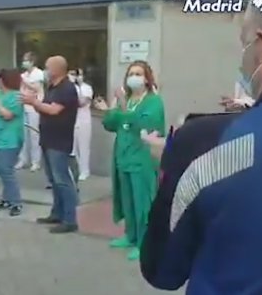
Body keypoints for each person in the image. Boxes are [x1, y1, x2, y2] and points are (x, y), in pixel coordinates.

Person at [140, 1, 262, 294]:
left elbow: (163, 270)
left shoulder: (202, 144)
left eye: (245, 44)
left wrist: (173, 168)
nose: (242, 60)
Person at [94, 60, 165, 261]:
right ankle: (131, 235)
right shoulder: (126, 99)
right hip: (123, 157)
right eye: (131, 73)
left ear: (147, 78)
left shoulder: (153, 101)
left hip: (142, 158)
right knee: (127, 200)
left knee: (143, 202)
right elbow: (110, 124)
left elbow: (145, 123)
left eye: (138, 73)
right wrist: (109, 110)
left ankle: (146, 243)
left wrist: (123, 110)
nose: (134, 77)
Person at [22, 55, 79, 234]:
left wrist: (34, 102)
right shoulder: (52, 87)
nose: (45, 70)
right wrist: (35, 102)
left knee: (62, 180)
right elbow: (45, 107)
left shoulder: (67, 88)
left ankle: (70, 219)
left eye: (47, 67)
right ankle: (57, 213)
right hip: (47, 139)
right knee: (54, 180)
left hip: (59, 141)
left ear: (57, 69)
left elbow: (54, 110)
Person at [0, 68, 25, 216]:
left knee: (6, 170)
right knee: (2, 170)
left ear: (3, 80)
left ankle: (16, 202)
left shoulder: (16, 97)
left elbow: (7, 115)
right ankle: (6, 198)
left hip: (11, 139)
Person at [17, 52, 44, 172]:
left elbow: (36, 88)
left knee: (34, 135)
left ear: (32, 62)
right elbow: (21, 89)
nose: (24, 62)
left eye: (26, 60)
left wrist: (24, 82)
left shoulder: (38, 73)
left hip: (34, 107)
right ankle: (23, 159)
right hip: (24, 106)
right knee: (23, 134)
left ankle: (36, 161)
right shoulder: (23, 75)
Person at [69, 68, 94, 181]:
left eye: (79, 74)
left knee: (83, 147)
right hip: (72, 120)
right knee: (72, 148)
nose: (77, 77)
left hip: (84, 121)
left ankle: (85, 171)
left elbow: (82, 102)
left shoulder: (87, 88)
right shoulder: (69, 88)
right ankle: (76, 170)